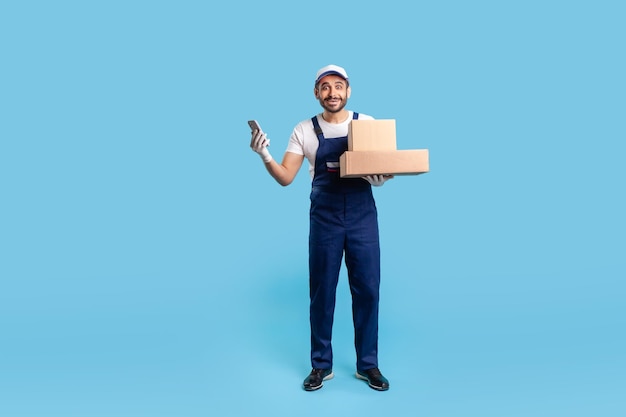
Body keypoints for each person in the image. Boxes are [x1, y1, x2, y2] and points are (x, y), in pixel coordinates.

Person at [249, 64, 392, 391]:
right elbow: (286, 177)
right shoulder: (303, 129)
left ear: (348, 90)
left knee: (368, 289)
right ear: (316, 92)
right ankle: (321, 366)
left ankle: (368, 365)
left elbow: (381, 167)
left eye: (338, 86)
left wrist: (380, 178)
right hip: (325, 218)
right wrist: (264, 154)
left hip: (362, 216)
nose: (332, 93)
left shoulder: (366, 124)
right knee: (322, 292)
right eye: (325, 87)